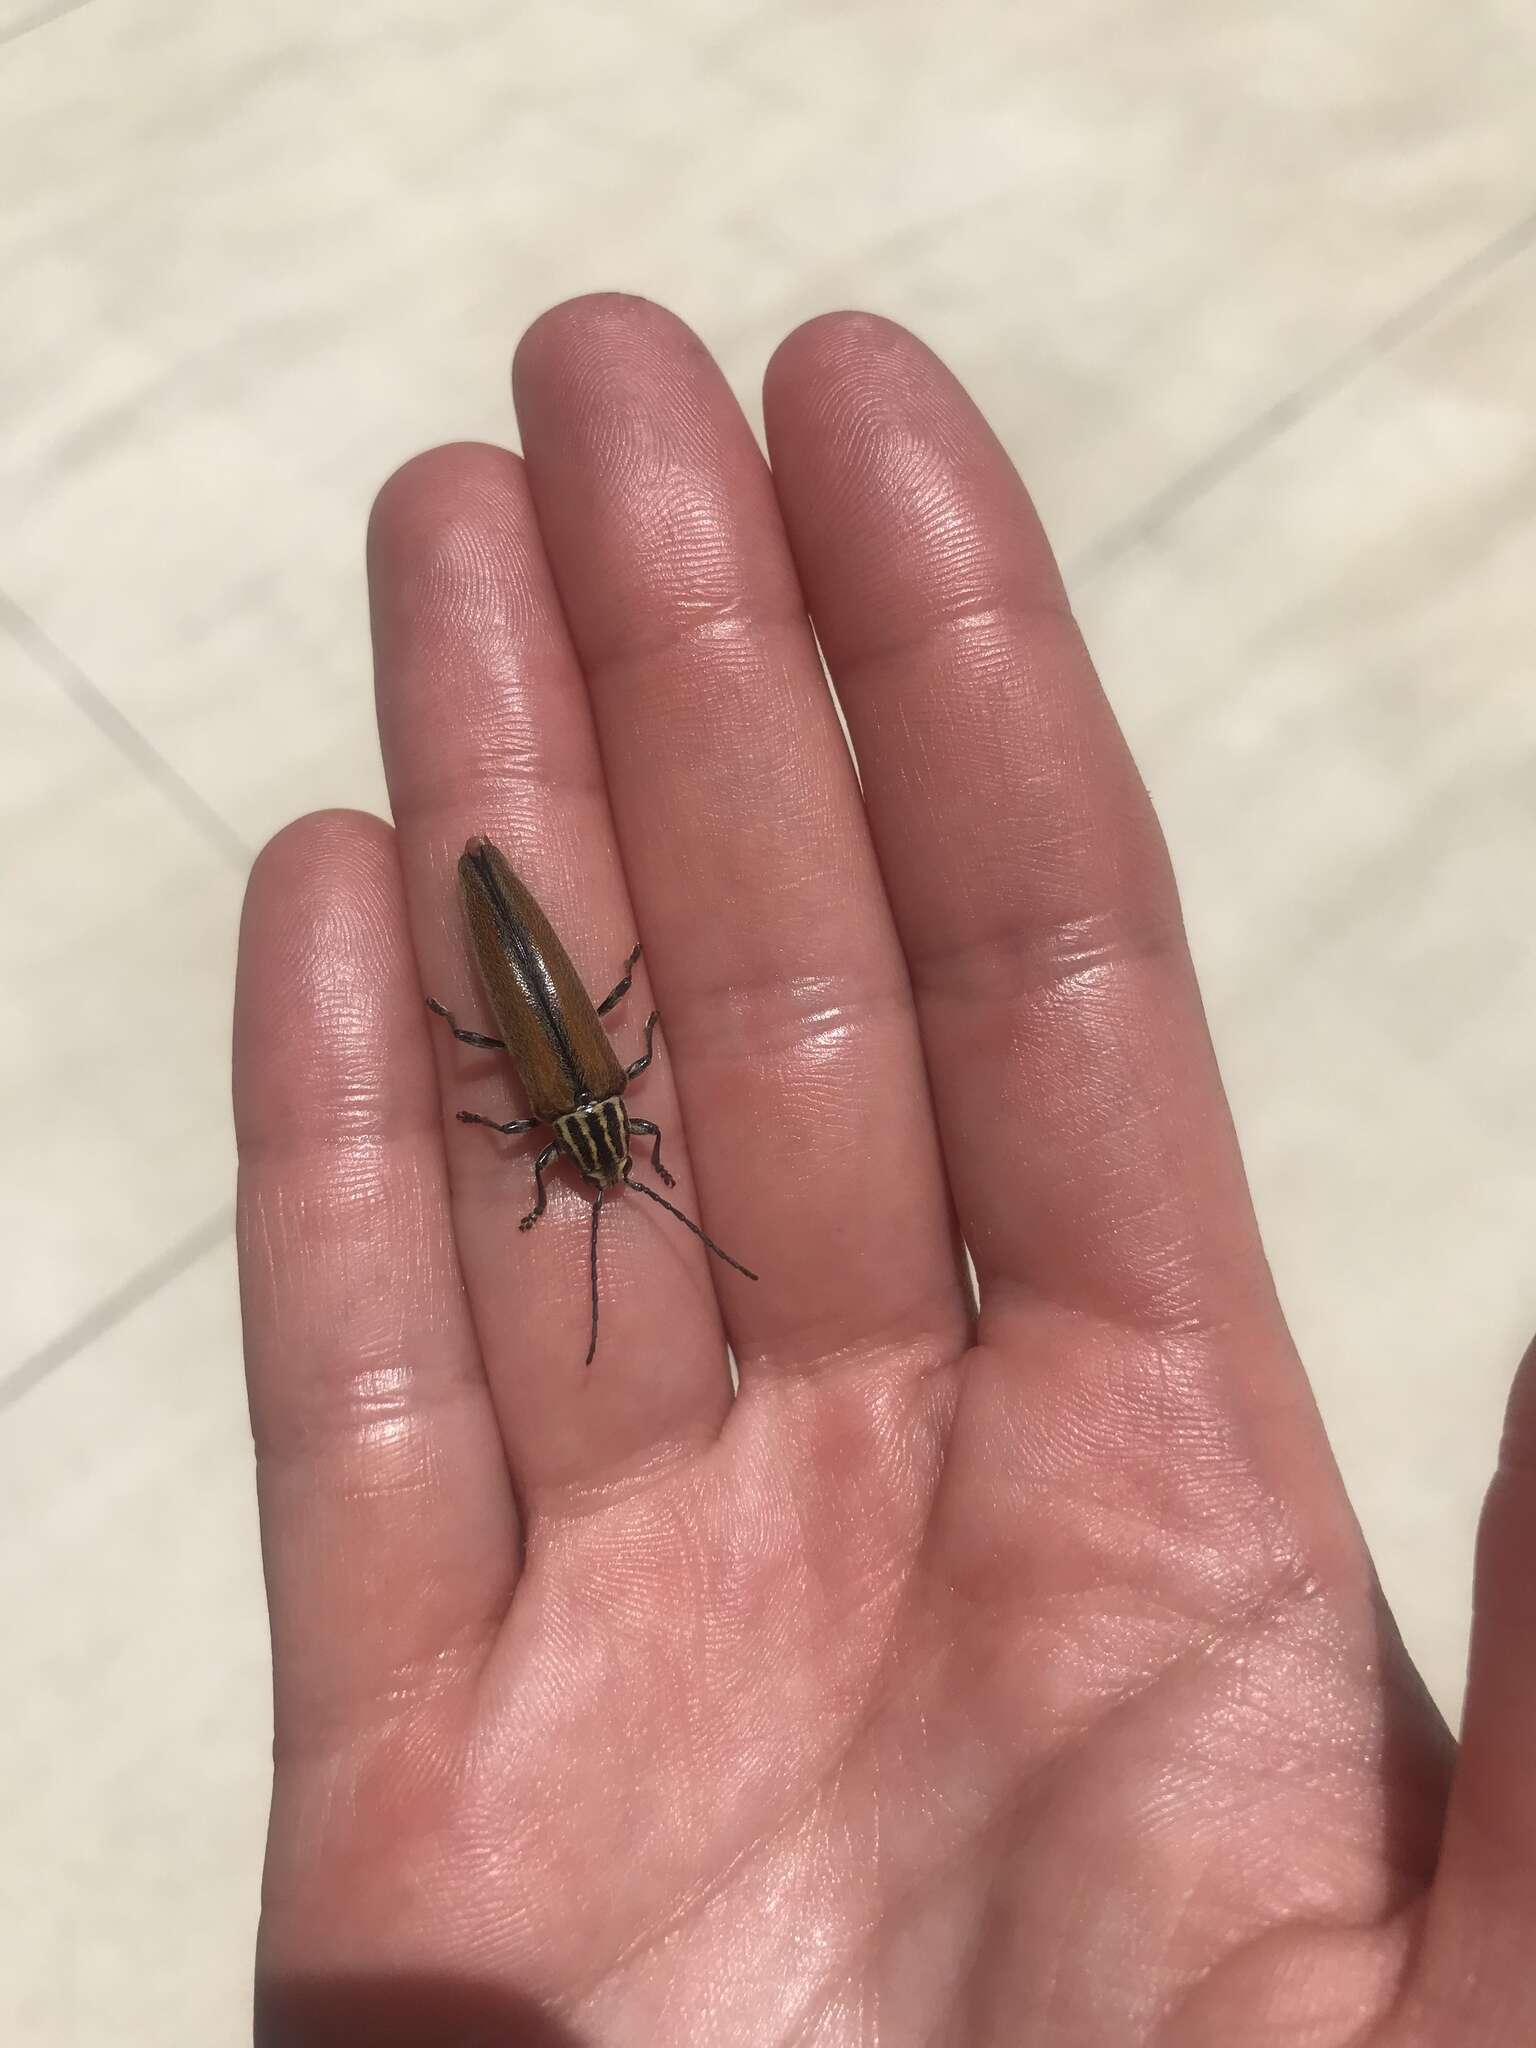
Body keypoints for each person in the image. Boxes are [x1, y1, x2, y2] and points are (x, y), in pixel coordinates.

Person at [234, 294, 1531, 2046]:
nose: (608, 1163)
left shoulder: (564, 1118)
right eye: (607, 1159)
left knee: (509, 1010)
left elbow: (537, 1078)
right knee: (515, 992)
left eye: (606, 1161)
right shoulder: (590, 1096)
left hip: (525, 974)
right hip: (527, 954)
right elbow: (559, 1044)